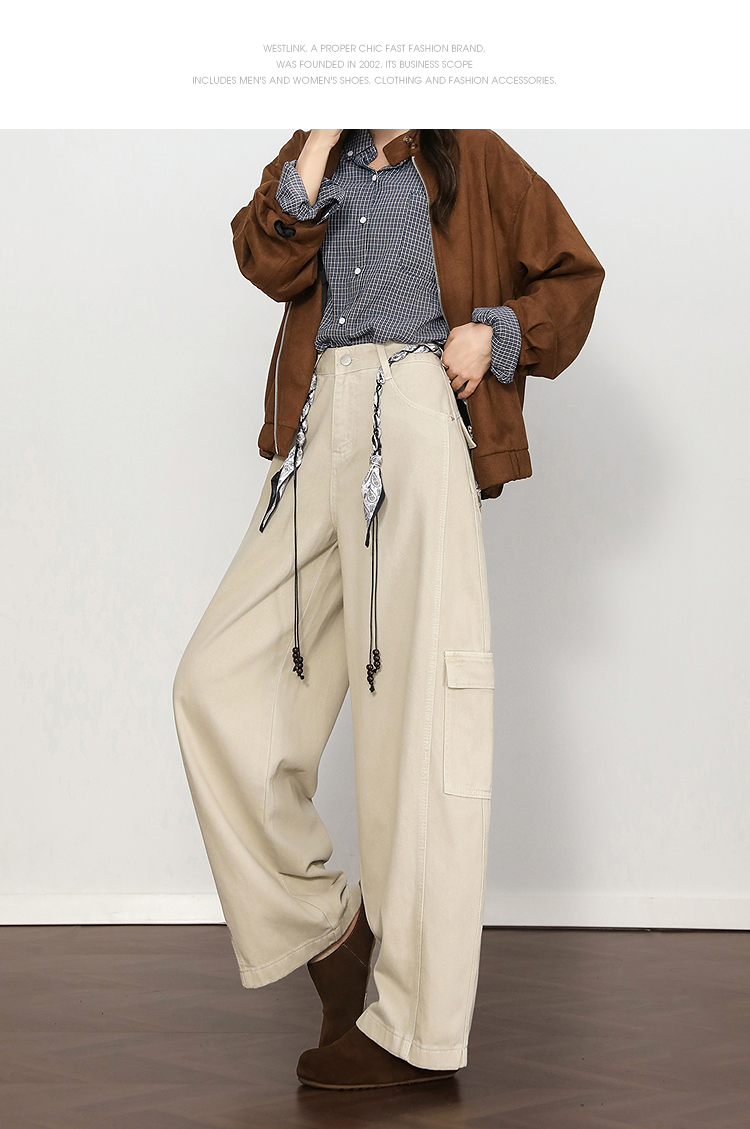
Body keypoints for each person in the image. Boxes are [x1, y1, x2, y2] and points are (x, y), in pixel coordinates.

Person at [172, 128, 605, 1090]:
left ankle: (414, 1027)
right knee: (214, 686)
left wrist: (496, 332)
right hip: (316, 423)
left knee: (418, 720)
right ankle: (331, 932)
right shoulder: (320, 149)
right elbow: (263, 256)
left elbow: (574, 278)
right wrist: (324, 134)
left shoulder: (473, 154)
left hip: (414, 417)